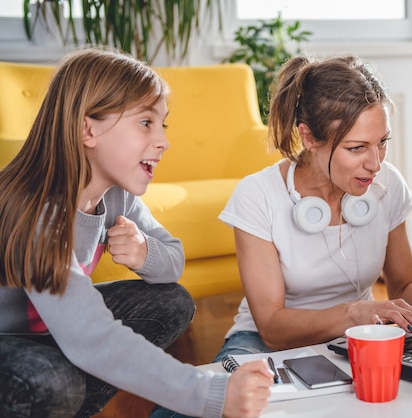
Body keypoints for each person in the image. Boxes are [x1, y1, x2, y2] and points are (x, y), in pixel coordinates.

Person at [0, 47, 273, 418]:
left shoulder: (117, 196)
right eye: (146, 122)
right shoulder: (40, 209)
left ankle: (67, 403)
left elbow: (173, 261)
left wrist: (146, 252)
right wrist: (209, 393)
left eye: (163, 125)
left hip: (48, 332)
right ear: (88, 128)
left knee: (171, 302)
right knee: (53, 380)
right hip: (9, 339)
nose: (163, 141)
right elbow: (89, 334)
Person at [213, 55, 412, 360]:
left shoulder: (387, 185)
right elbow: (272, 328)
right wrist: (353, 314)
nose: (376, 163)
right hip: (263, 342)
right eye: (357, 148)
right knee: (204, 404)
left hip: (359, 334)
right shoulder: (258, 195)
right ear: (309, 137)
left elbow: (403, 285)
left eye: (382, 141)